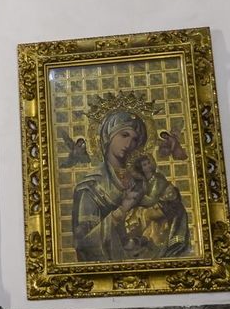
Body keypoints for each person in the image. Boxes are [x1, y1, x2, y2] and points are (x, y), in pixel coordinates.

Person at [71, 109, 190, 261]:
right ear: (108, 135)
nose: (129, 144)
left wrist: (172, 204)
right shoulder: (90, 187)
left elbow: (160, 215)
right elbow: (84, 243)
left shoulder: (141, 180)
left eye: (134, 139)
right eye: (124, 135)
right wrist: (122, 210)